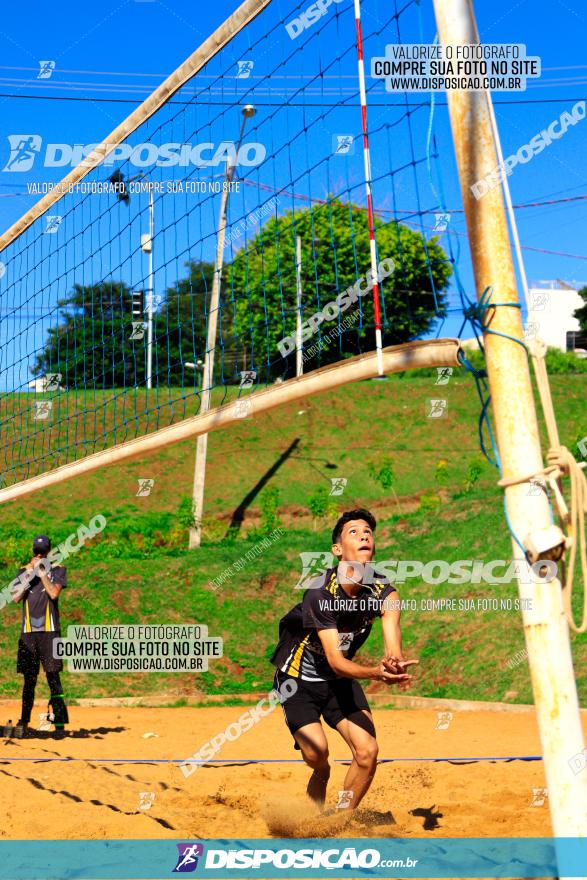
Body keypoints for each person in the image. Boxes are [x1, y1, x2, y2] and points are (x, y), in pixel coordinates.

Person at [270, 508, 417, 812]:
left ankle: (339, 819)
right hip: (298, 681)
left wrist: (394, 662)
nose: (364, 535)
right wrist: (376, 674)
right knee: (318, 755)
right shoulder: (319, 592)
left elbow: (392, 641)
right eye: (354, 532)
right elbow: (336, 660)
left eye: (368, 532)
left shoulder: (385, 593)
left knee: (367, 752)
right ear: (337, 550)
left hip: (339, 683)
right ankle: (320, 777)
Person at [12, 535, 69, 735]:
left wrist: (43, 573)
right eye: (36, 552)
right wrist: (29, 574)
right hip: (29, 633)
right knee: (29, 680)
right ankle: (24, 722)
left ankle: (60, 724)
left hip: (50, 632)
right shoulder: (23, 571)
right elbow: (16, 597)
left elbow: (54, 594)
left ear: (48, 552)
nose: (39, 555)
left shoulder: (58, 569)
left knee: (54, 678)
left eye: (42, 552)